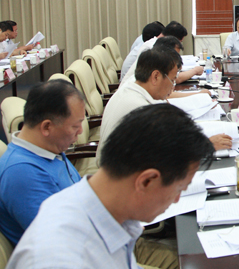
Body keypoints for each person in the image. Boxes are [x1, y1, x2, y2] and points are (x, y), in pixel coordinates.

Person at [6, 104, 215, 269]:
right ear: (146, 181)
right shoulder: (64, 258)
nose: (177, 200)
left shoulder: (106, 213)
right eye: (179, 189)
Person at [98, 47, 232, 165]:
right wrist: (206, 145)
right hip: (123, 177)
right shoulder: (139, 108)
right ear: (155, 76)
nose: (173, 86)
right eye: (172, 80)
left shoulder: (132, 89)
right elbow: (165, 153)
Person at [0, 80, 84, 246]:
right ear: (46, 127)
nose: (80, 131)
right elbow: (61, 243)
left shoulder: (49, 150)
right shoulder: (22, 173)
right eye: (76, 126)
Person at [121, 21, 203, 84]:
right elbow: (173, 79)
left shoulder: (155, 43)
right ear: (172, 39)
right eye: (179, 42)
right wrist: (195, 71)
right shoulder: (154, 49)